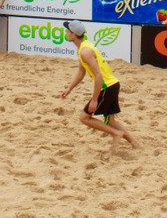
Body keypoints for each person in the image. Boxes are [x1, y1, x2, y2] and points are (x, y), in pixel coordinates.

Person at [58, 19, 138, 151]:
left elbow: (99, 76)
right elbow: (81, 70)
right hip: (113, 84)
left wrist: (94, 100)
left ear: (73, 34)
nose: (66, 33)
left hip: (107, 87)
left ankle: (116, 134)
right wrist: (70, 88)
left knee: (84, 118)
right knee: (110, 121)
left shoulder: (85, 52)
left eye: (68, 31)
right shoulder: (83, 47)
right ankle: (135, 143)